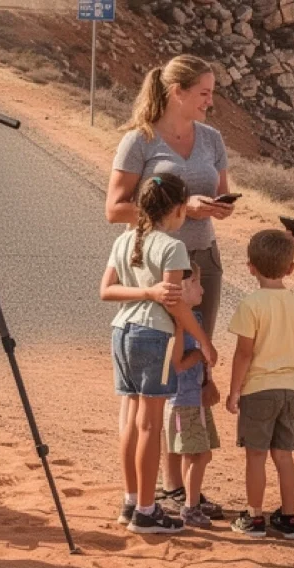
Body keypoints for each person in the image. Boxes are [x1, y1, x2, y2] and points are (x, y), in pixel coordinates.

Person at [107, 54, 234, 513]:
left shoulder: (213, 139)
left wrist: (214, 208)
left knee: (192, 370)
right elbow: (115, 209)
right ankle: (160, 488)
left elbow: (218, 191)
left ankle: (182, 491)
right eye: (203, 93)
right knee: (163, 369)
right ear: (177, 92)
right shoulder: (138, 141)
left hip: (203, 261)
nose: (210, 101)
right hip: (156, 266)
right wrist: (180, 210)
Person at [100, 173, 215, 535]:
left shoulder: (124, 240)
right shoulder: (172, 246)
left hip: (122, 332)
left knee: (132, 421)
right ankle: (148, 511)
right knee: (150, 424)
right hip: (155, 336)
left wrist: (144, 292)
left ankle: (132, 500)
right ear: (179, 209)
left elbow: (107, 291)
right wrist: (204, 340)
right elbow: (176, 303)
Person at [226, 230, 294, 540]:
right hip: (291, 390)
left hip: (258, 390)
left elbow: (244, 353)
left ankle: (254, 516)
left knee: (256, 456)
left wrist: (234, 390)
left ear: (250, 266)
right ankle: (289, 518)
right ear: (290, 268)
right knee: (284, 455)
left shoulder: (251, 304)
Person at [162, 265, 222, 529]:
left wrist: (208, 381)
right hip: (181, 401)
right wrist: (200, 355)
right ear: (182, 288)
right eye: (196, 282)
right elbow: (176, 365)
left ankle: (191, 501)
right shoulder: (176, 323)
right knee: (198, 454)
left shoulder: (194, 318)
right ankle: (190, 506)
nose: (203, 288)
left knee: (199, 454)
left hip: (193, 398)